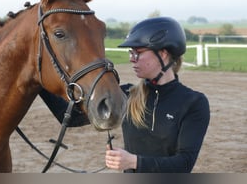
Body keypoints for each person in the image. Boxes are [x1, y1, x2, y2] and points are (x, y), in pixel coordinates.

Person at [39, 17, 210, 173]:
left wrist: (134, 162)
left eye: (138, 52)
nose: (132, 59)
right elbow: (70, 117)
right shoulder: (127, 94)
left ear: (163, 54)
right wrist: (38, 80)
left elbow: (184, 164)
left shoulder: (193, 103)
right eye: (131, 53)